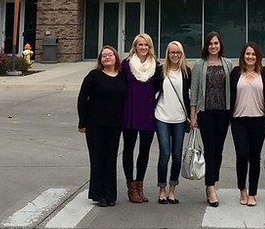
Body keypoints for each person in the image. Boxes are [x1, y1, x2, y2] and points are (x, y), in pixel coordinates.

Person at [77, 45, 126, 207]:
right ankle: (99, 195)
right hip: (95, 124)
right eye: (104, 56)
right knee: (98, 159)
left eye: (110, 55)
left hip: (115, 125)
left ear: (115, 58)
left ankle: (110, 195)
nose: (107, 58)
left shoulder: (122, 76)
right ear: (100, 60)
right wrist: (82, 121)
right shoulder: (94, 76)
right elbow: (82, 98)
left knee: (111, 158)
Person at [190, 31, 234, 206]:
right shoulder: (199, 65)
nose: (213, 46)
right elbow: (194, 92)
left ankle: (212, 179)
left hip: (224, 112)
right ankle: (210, 187)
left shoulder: (228, 64)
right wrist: (193, 115)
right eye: (210, 44)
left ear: (220, 45)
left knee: (219, 149)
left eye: (216, 43)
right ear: (206, 46)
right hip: (205, 112)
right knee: (209, 149)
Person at [229, 42, 265, 206]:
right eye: (247, 54)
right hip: (239, 120)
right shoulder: (235, 73)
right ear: (243, 56)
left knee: (255, 157)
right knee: (242, 155)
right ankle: (242, 189)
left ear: (258, 57)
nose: (250, 57)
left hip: (258, 120)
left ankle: (253, 192)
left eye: (253, 54)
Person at [121, 33, 158, 203]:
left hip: (148, 113)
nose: (143, 48)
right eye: (140, 45)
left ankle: (140, 185)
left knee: (144, 151)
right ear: (135, 46)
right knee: (128, 149)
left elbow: (159, 89)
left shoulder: (156, 67)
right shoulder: (126, 65)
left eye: (147, 45)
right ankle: (130, 186)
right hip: (130, 111)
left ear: (150, 48)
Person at [154, 40, 191, 205]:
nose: (175, 55)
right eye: (172, 52)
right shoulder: (160, 71)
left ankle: (172, 190)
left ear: (181, 54)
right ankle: (161, 189)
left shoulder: (186, 72)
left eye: (178, 52)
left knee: (177, 156)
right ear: (167, 54)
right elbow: (152, 91)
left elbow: (190, 97)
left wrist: (192, 116)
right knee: (164, 154)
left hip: (180, 119)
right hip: (162, 116)